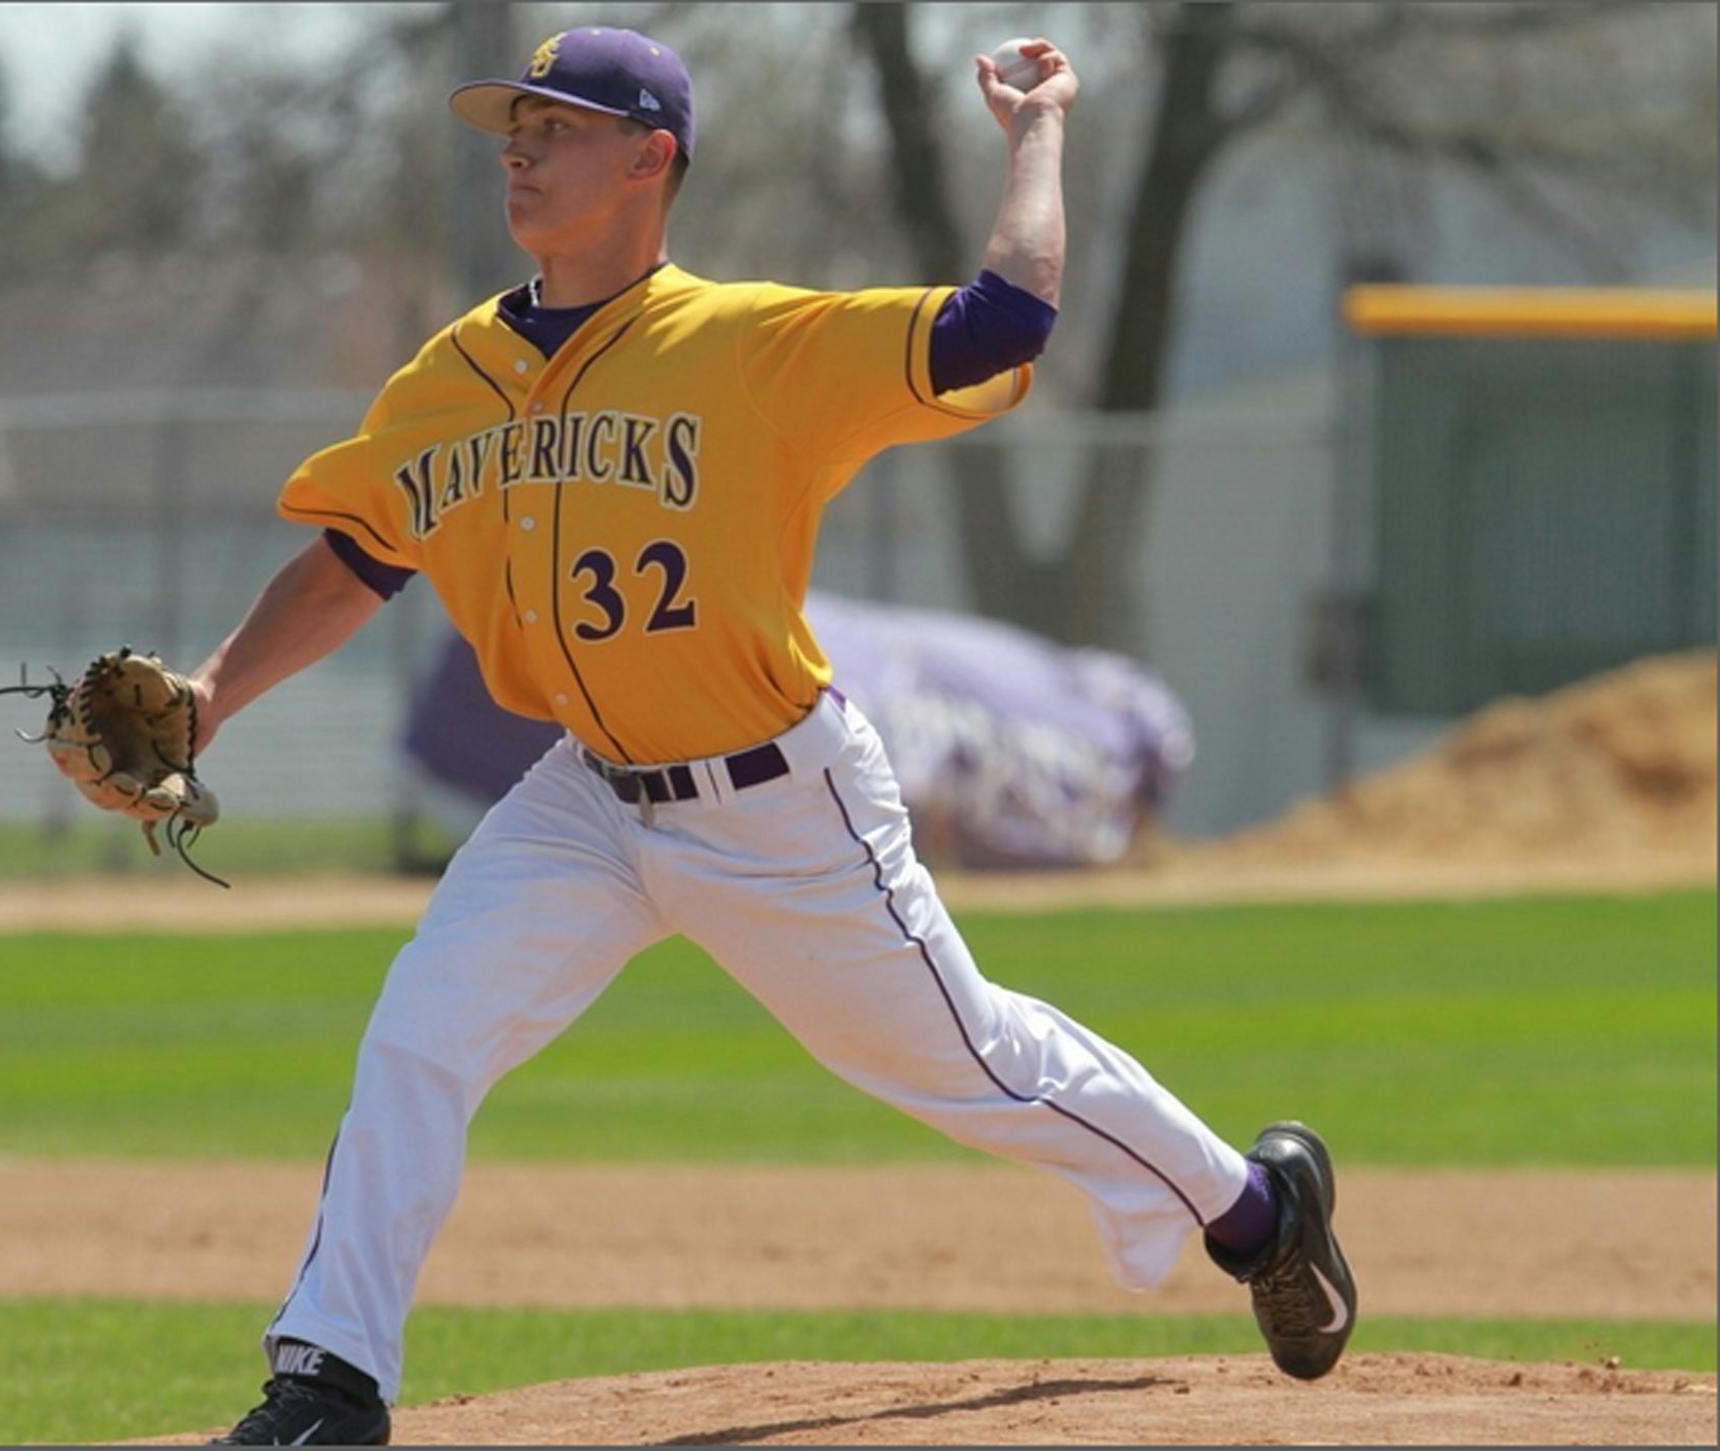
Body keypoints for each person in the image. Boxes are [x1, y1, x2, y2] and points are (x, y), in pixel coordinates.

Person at [193, 28, 1356, 1446]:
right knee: (420, 1032)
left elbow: (1002, 325)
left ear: (649, 155)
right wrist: (206, 701)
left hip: (779, 806)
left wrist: (1038, 134)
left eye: (555, 124)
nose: (518, 146)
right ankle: (329, 1378)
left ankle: (1258, 1210)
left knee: (975, 1064)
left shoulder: (751, 344)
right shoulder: (455, 374)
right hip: (583, 800)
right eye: (514, 123)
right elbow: (354, 558)